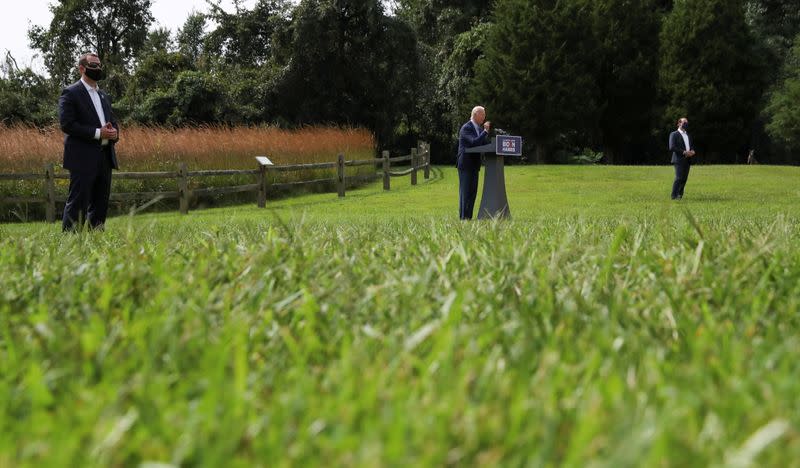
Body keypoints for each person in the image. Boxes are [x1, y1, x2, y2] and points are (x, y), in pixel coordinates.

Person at [60, 52, 119, 231]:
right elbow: (67, 124)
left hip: (104, 157)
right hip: (82, 157)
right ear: (82, 68)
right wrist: (97, 133)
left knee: (100, 202)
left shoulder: (104, 96)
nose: (98, 68)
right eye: (93, 65)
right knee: (78, 201)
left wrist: (114, 133)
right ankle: (70, 241)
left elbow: (113, 122)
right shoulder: (71, 93)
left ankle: (97, 236)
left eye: (99, 65)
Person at [457, 106, 491, 219]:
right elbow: (474, 142)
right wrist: (485, 131)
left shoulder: (480, 129)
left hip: (475, 166)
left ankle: (468, 218)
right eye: (482, 114)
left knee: (472, 194)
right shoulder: (466, 128)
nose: (484, 117)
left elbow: (485, 144)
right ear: (476, 114)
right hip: (466, 165)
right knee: (465, 193)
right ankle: (463, 219)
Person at [668, 117, 695, 200]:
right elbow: (672, 147)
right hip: (678, 159)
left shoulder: (688, 135)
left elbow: (691, 146)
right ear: (679, 123)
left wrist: (692, 151)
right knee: (679, 177)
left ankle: (680, 195)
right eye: (684, 122)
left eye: (687, 123)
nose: (686, 124)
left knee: (684, 178)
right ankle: (674, 195)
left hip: (687, 159)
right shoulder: (674, 134)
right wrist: (684, 152)